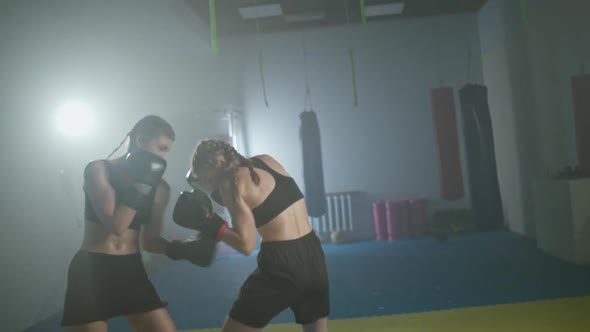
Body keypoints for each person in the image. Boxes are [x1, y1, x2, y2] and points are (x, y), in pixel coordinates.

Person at [173, 139, 330, 332]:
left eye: (210, 179)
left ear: (217, 165)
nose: (212, 184)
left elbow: (246, 245)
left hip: (281, 264)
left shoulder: (231, 183)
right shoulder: (267, 160)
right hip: (313, 253)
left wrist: (210, 224)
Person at [61, 115, 177, 332]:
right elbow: (116, 226)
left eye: (166, 151)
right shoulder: (99, 169)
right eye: (160, 147)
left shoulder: (161, 188)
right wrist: (143, 183)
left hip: (131, 269)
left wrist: (184, 248)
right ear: (140, 140)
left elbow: (150, 241)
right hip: (91, 270)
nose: (162, 156)